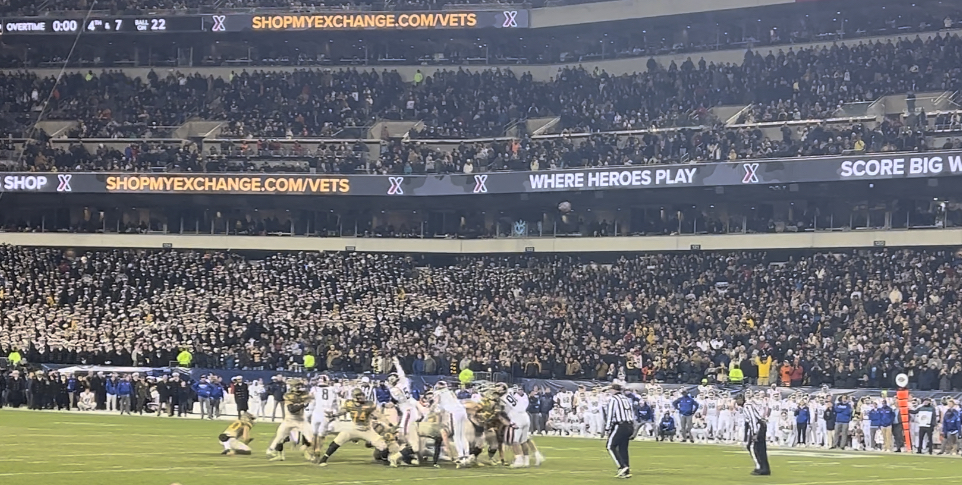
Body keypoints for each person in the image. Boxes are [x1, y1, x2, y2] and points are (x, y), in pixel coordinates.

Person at [317, 388, 388, 466]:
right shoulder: (349, 403)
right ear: (355, 397)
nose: (362, 397)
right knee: (337, 441)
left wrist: (387, 424)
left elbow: (378, 415)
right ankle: (323, 459)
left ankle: (384, 460)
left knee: (383, 445)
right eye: (359, 395)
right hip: (353, 427)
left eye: (362, 395)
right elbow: (343, 411)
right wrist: (334, 415)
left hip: (366, 429)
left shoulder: (369, 404)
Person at [266, 379, 315, 462]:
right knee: (279, 437)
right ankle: (277, 453)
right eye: (297, 385)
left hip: (301, 420)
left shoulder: (304, 394)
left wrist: (309, 399)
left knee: (311, 438)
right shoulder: (288, 395)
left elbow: (311, 399)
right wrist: (303, 404)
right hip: (289, 420)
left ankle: (308, 453)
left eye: (299, 385)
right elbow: (292, 409)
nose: (299, 387)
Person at [604, 383, 635, 479]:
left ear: (614, 390)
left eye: (610, 390)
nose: (609, 391)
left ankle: (622, 466)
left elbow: (610, 414)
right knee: (623, 448)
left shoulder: (614, 399)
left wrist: (607, 428)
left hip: (620, 425)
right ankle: (626, 471)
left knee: (610, 446)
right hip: (629, 425)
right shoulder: (626, 398)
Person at [738, 393, 770, 476]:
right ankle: (764, 467)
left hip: (758, 426)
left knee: (753, 447)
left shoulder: (747, 406)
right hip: (759, 425)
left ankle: (760, 467)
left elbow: (753, 419)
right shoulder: (747, 406)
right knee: (760, 448)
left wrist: (755, 433)